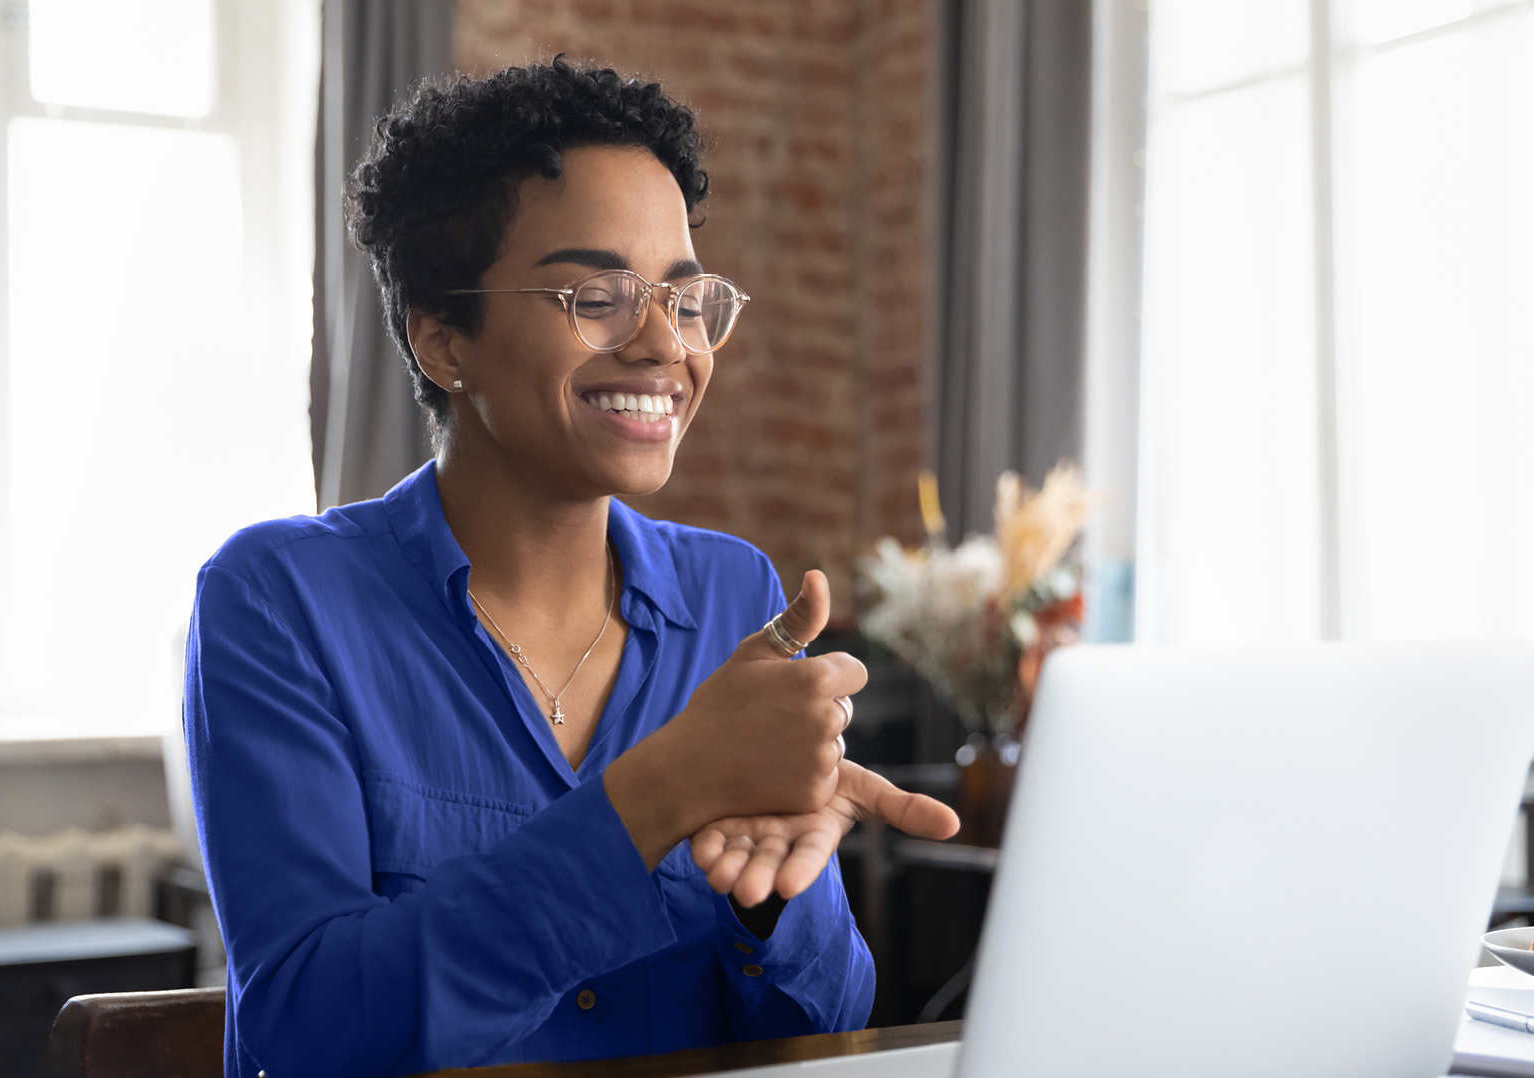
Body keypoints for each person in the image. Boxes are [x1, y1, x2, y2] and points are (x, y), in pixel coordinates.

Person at [182, 58, 959, 1078]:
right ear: (442, 338)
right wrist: (657, 793)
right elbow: (310, 1028)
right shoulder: (279, 601)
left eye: (685, 302)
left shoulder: (738, 601)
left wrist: (775, 897)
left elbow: (824, 1023)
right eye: (596, 294)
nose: (661, 345)